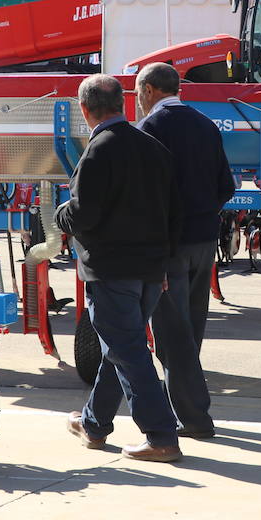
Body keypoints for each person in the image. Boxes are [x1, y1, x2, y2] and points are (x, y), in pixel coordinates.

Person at [56, 74, 183, 462]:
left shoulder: (99, 151)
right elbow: (173, 215)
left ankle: (161, 436)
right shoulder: (153, 147)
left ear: (84, 110)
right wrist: (162, 264)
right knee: (120, 349)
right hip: (149, 270)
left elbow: (84, 214)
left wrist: (61, 214)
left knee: (128, 351)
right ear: (124, 104)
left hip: (112, 271)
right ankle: (94, 425)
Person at [135, 62, 235, 439]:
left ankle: (194, 417)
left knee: (171, 334)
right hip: (204, 242)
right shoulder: (206, 125)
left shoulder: (150, 129)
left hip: (169, 246)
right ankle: (183, 406)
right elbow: (226, 184)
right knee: (191, 329)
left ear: (147, 90)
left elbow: (146, 195)